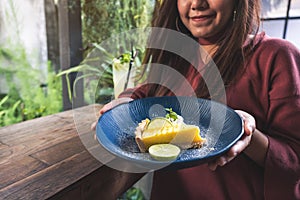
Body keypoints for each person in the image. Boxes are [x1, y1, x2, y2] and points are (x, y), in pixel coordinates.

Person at [93, 0, 300, 199]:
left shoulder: (277, 56)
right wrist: (126, 101)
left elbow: (294, 160)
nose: (197, 4)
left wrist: (247, 134)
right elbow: (148, 91)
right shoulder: (178, 56)